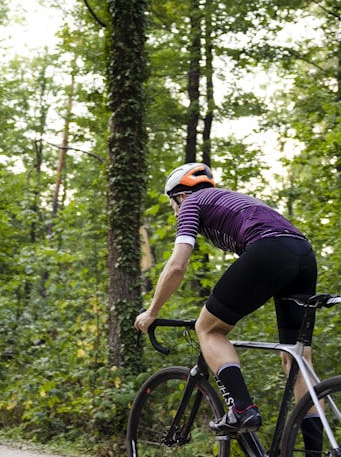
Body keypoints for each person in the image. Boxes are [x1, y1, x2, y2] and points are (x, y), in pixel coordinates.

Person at [134, 162, 319, 436]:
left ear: (180, 195)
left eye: (172, 204)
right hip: (304, 253)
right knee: (296, 358)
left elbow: (176, 266)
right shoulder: (233, 199)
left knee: (208, 328)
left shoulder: (191, 203)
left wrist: (152, 312)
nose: (174, 211)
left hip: (269, 249)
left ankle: (242, 409)